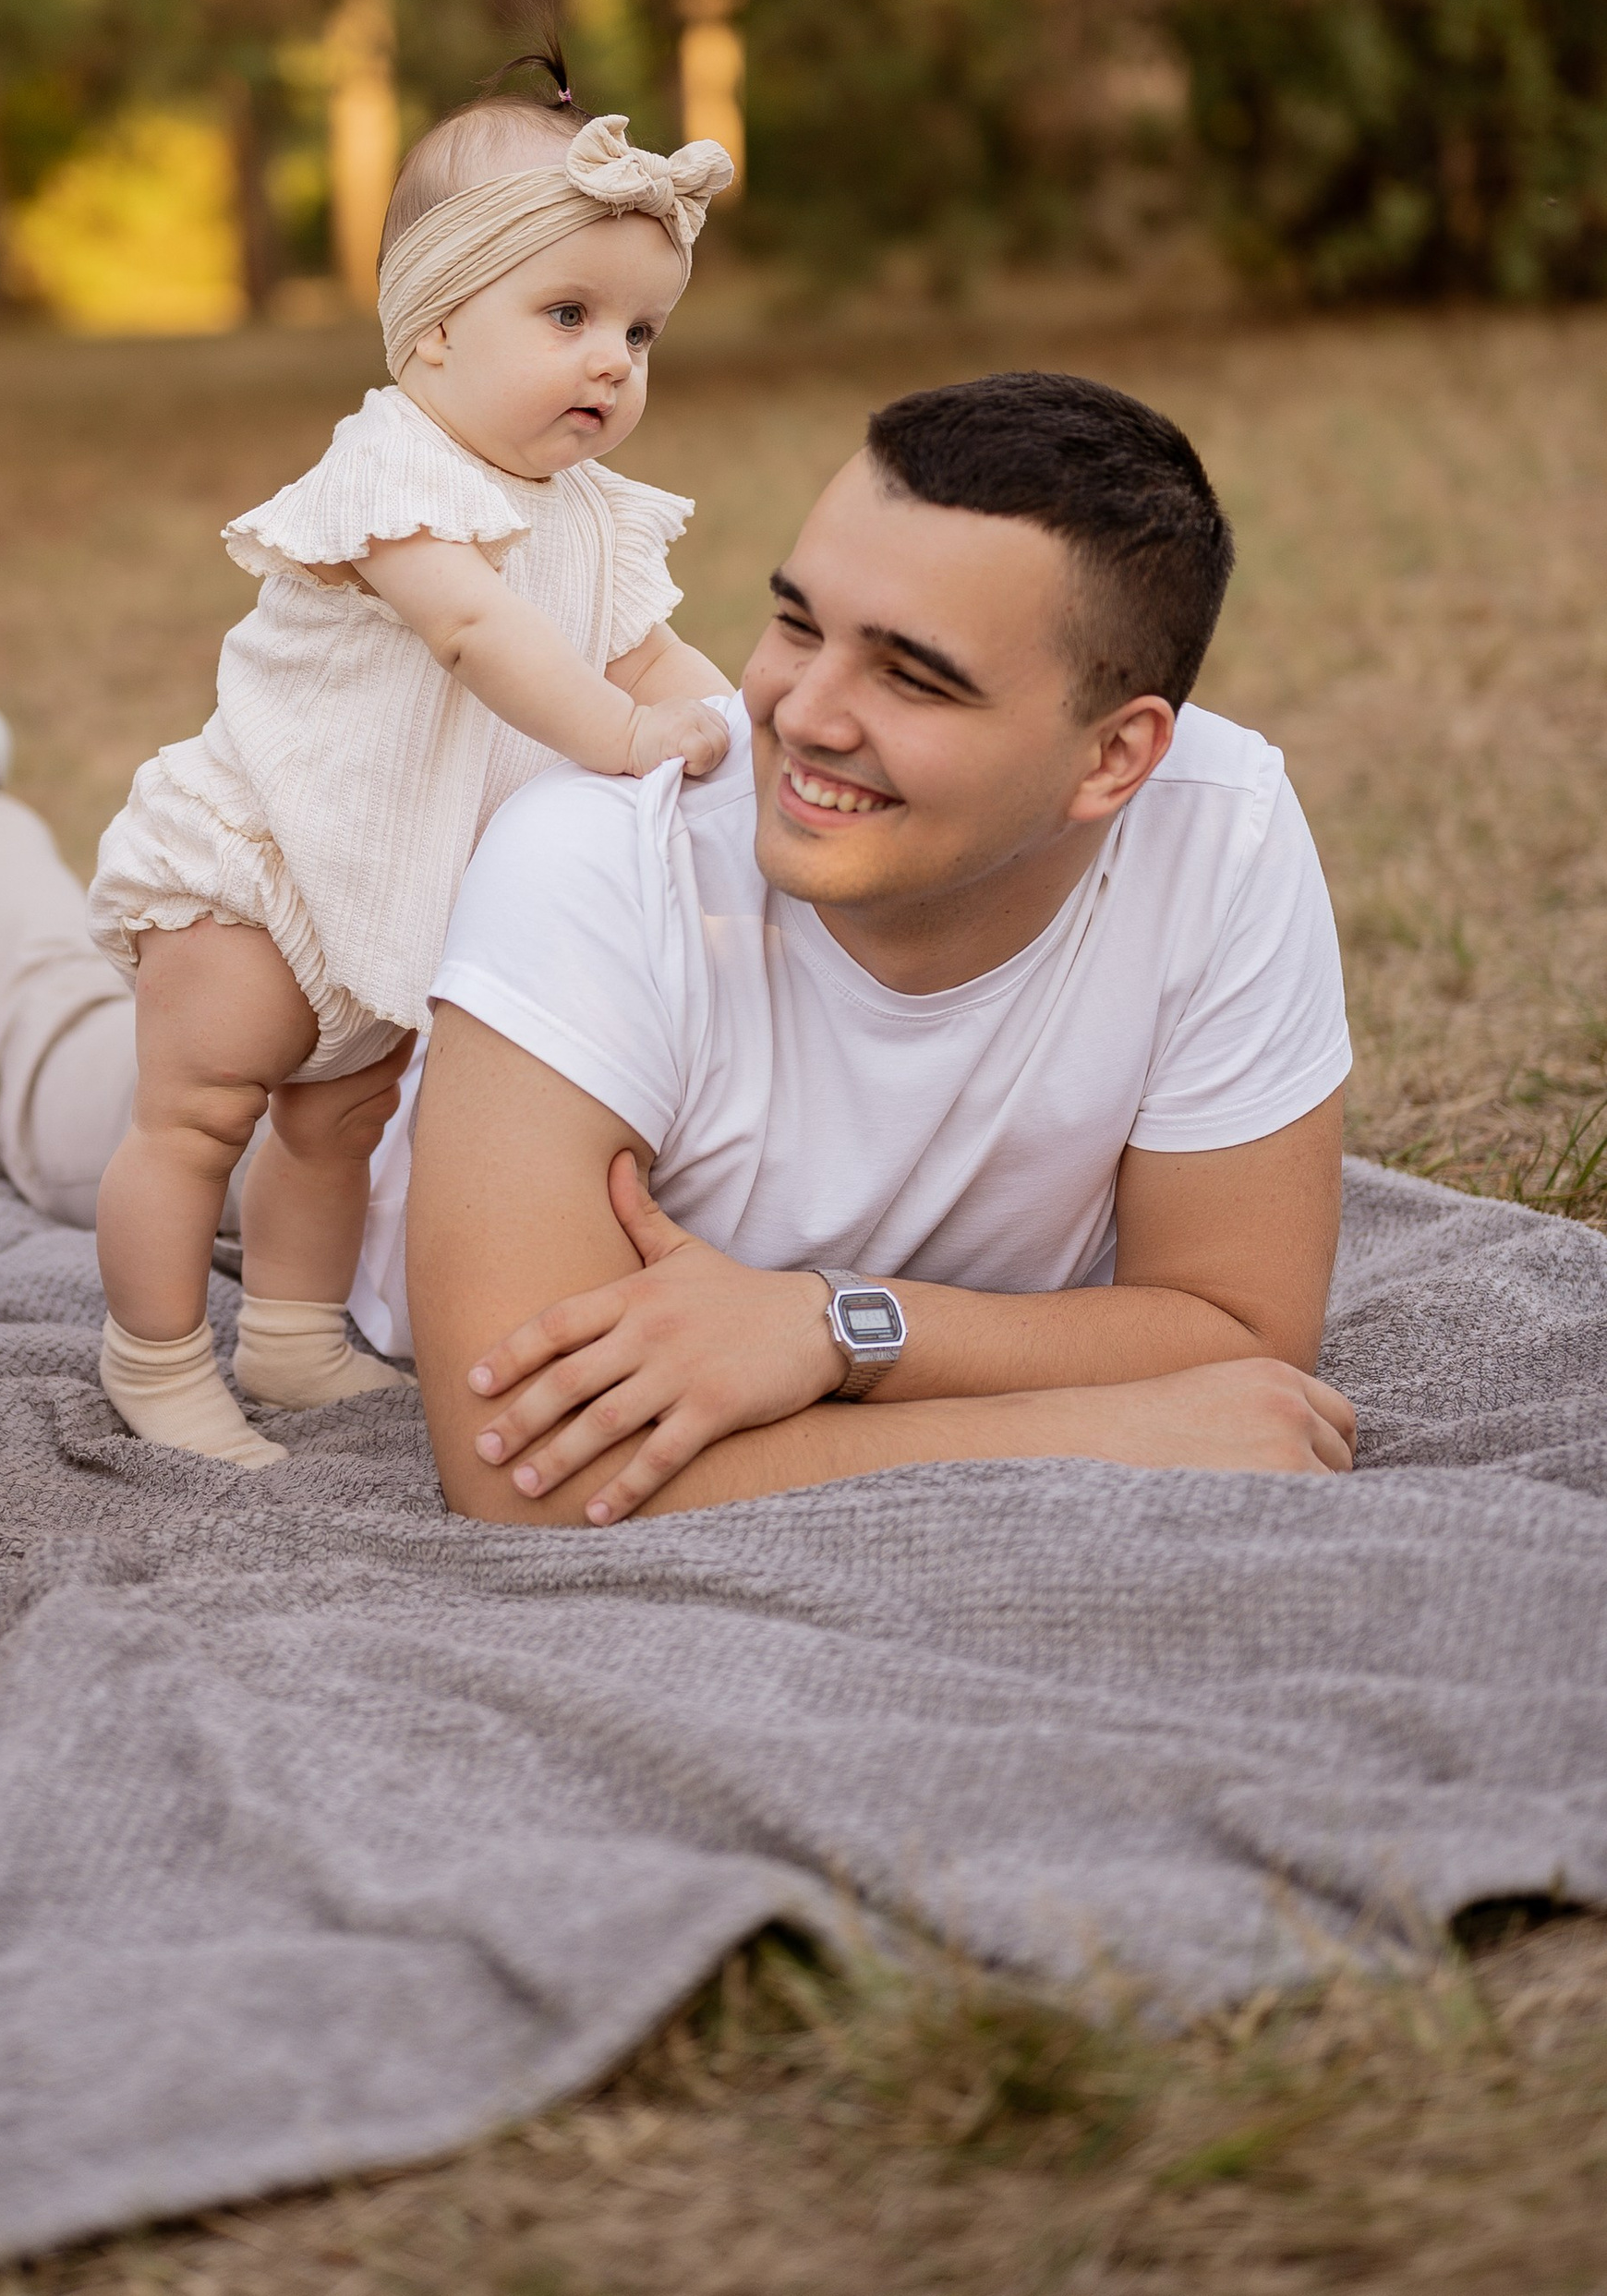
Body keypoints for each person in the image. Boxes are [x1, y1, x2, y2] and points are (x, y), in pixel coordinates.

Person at [400, 369, 1359, 1520]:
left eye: (912, 676)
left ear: (1114, 758)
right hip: (308, 1092)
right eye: (798, 623)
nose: (804, 713)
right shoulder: (595, 860)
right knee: (172, 1087)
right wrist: (1099, 1428)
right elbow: (528, 1474)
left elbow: (1239, 1326)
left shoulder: (1220, 825)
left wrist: (831, 1322)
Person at [77, 65, 737, 1468]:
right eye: (567, 316)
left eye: (639, 328)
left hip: (390, 888)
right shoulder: (394, 479)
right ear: (431, 331)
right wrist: (624, 742)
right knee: (195, 1122)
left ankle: (297, 1337)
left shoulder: (590, 518)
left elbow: (650, 658)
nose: (614, 360)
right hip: (259, 866)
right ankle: (155, 1360)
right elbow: (474, 630)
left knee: (341, 1126)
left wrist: (734, 731)